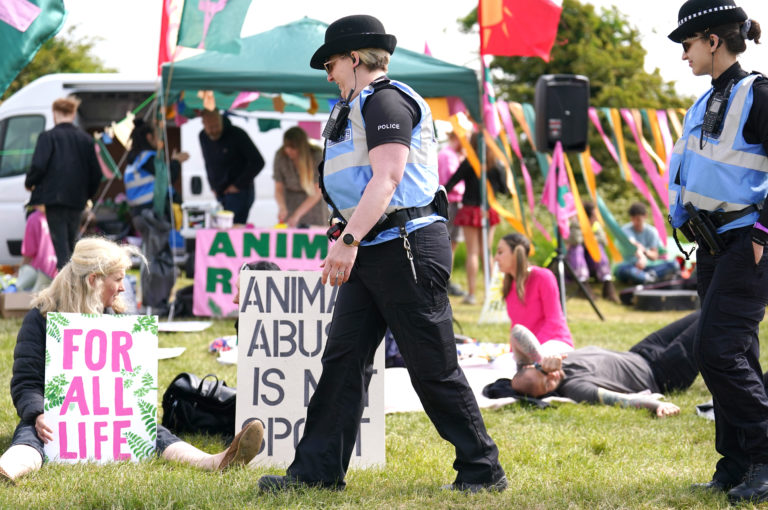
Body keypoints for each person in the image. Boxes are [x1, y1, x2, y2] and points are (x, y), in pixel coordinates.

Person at [257, 15, 506, 493]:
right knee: (343, 360)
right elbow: (359, 186)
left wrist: (347, 242)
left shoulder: (386, 100)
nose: (326, 73)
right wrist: (346, 233)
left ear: (354, 58)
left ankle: (482, 470)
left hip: (404, 247)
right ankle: (315, 475)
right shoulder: (355, 106)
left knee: (431, 366)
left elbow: (388, 179)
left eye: (330, 63)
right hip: (374, 245)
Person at [0, 237, 264, 484]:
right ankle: (8, 469)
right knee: (30, 436)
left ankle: (214, 462)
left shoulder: (115, 320)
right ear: (94, 280)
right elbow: (26, 381)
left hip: (111, 416)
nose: (124, 287)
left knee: (153, 432)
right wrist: (38, 413)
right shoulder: (41, 319)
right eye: (118, 279)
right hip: (56, 417)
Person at [666, 0, 768, 502]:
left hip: (747, 240)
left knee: (716, 349)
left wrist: (761, 235)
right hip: (711, 244)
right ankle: (736, 460)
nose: (683, 55)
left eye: (686, 45)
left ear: (712, 40)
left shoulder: (760, 93)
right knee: (736, 350)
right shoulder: (703, 101)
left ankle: (765, 455)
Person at [510, 311, 700, 418]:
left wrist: (540, 361)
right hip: (664, 371)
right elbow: (621, 400)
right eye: (547, 385)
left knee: (705, 307)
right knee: (715, 313)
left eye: (543, 373)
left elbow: (517, 332)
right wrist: (657, 404)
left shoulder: (544, 363)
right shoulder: (575, 388)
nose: (551, 376)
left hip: (641, 351)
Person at [25, 97, 102, 270]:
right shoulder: (87, 140)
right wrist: (87, 194)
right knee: (72, 244)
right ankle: (74, 284)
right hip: (77, 201)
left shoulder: (47, 137)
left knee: (61, 247)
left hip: (54, 201)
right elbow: (97, 174)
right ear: (73, 114)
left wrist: (30, 183)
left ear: (54, 114)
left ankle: (67, 288)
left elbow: (38, 165)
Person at [124, 119, 189, 314]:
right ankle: (155, 304)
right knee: (158, 259)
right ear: (149, 137)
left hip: (139, 215)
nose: (161, 140)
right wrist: (176, 161)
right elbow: (166, 176)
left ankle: (151, 302)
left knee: (150, 257)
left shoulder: (134, 159)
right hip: (151, 215)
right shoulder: (148, 157)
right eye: (158, 135)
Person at [494, 233, 574, 367]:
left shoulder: (543, 277)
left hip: (553, 342)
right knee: (499, 364)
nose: (496, 258)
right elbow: (516, 326)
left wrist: (531, 351)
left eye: (500, 252)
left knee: (536, 365)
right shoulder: (509, 284)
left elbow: (553, 320)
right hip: (528, 349)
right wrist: (515, 351)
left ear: (516, 253)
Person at [444, 132, 503, 305]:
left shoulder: (469, 163)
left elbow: (451, 183)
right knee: (487, 252)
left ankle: (471, 294)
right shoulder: (496, 164)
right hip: (488, 210)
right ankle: (492, 295)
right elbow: (504, 189)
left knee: (473, 253)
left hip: (470, 209)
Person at [199, 109, 265, 225]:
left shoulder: (237, 134)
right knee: (221, 227)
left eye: (216, 126)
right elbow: (208, 162)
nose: (213, 131)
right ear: (203, 123)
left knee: (233, 228)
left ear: (221, 120)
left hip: (239, 192)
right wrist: (212, 186)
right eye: (209, 127)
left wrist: (238, 185)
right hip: (220, 192)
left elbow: (258, 162)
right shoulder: (203, 136)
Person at [613, 202, 680, 284]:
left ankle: (645, 278)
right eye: (633, 219)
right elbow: (633, 244)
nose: (635, 222)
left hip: (647, 266)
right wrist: (642, 257)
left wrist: (645, 253)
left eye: (638, 219)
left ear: (645, 216)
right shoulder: (625, 230)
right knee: (626, 271)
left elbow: (654, 256)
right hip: (630, 266)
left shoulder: (651, 231)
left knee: (674, 264)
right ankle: (651, 277)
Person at [565, 201, 620, 303]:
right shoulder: (575, 223)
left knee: (598, 247)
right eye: (595, 214)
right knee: (577, 249)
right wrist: (590, 240)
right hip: (574, 264)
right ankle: (583, 284)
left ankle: (607, 280)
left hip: (592, 261)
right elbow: (575, 240)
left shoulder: (596, 225)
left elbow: (603, 240)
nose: (597, 217)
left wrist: (588, 240)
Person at [273, 126, 326, 227]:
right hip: (290, 203)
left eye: (292, 147)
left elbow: (317, 191)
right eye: (286, 146)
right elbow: (278, 188)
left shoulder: (316, 155)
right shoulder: (280, 156)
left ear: (301, 147)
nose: (288, 150)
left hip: (314, 207)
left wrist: (297, 215)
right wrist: (282, 207)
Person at [437, 130, 466, 296]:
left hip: (454, 202)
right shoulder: (448, 155)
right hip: (452, 202)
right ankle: (445, 279)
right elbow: (452, 181)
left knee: (452, 243)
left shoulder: (450, 154)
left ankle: (447, 278)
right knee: (449, 242)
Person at [15, 205, 57, 292]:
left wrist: (19, 274)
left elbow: (29, 253)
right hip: (59, 273)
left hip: (39, 276)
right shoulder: (62, 217)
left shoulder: (34, 219)